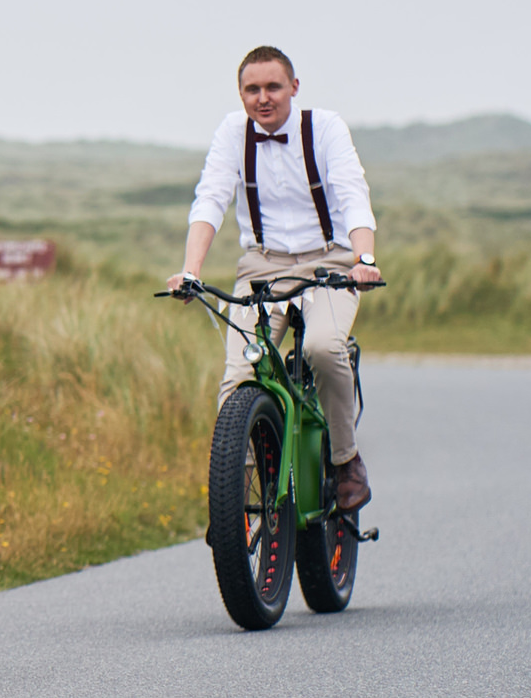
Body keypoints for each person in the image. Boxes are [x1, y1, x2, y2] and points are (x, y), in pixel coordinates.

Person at [165, 45, 384, 511]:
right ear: (240, 93)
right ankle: (233, 508)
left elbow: (352, 193)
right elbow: (210, 199)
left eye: (273, 87)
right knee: (240, 375)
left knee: (322, 348)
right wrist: (191, 271)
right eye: (252, 89)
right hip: (262, 266)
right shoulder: (233, 132)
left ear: (294, 88)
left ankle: (346, 460)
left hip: (331, 263)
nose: (263, 98)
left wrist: (364, 257)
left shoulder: (324, 128)